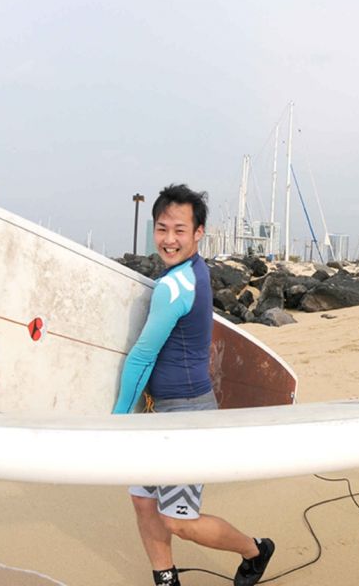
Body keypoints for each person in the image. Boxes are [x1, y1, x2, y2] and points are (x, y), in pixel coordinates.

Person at [113, 184, 275, 586]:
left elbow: (141, 356)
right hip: (156, 409)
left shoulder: (175, 285)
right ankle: (165, 578)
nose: (169, 240)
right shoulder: (192, 271)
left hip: (187, 414)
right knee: (143, 500)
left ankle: (255, 550)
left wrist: (115, 422)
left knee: (177, 519)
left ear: (199, 232)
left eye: (179, 230)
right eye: (162, 228)